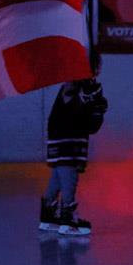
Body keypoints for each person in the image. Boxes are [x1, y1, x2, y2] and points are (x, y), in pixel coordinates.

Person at [40, 54, 108, 236]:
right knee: (68, 177)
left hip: (64, 139)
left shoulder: (82, 85)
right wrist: (94, 105)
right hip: (67, 141)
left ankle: (47, 214)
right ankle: (67, 217)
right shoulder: (76, 85)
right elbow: (75, 104)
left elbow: (91, 123)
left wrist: (97, 109)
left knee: (58, 177)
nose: (98, 70)